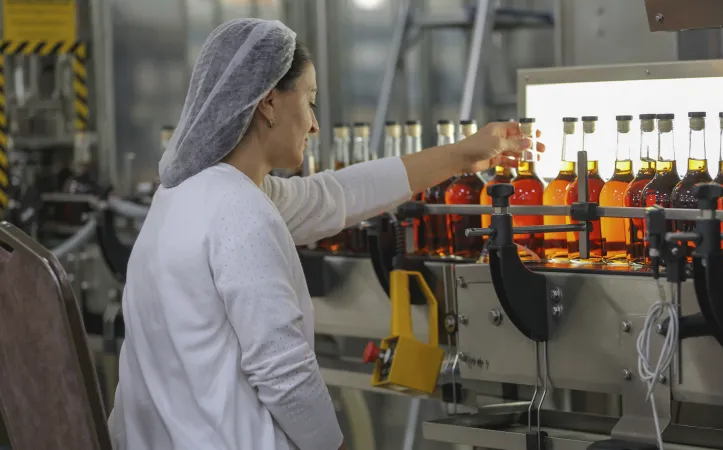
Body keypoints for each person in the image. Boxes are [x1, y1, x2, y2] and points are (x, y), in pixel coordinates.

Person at [107, 18, 531, 450]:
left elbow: (335, 195)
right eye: (309, 101)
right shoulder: (238, 209)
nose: (314, 125)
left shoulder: (186, 195)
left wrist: (463, 155)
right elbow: (283, 370)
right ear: (269, 103)